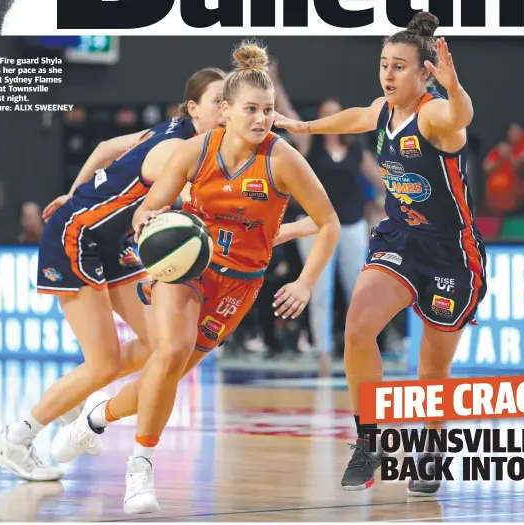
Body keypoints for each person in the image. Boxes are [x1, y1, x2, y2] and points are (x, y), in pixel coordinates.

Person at [49, 39, 340, 515]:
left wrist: (305, 282)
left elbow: (328, 222)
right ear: (224, 110)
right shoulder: (191, 150)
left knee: (165, 377)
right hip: (187, 267)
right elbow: (152, 204)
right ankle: (141, 466)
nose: (262, 119)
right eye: (251, 109)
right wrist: (146, 224)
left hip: (240, 285)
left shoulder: (282, 158)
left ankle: (96, 418)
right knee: (170, 353)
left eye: (268, 110)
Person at [274, 12, 487, 496]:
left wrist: (455, 90)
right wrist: (300, 123)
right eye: (384, 65)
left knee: (432, 369)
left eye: (399, 67)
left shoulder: (435, 113)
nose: (388, 75)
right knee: (357, 326)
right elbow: (357, 117)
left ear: (424, 72)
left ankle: (432, 445)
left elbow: (462, 117)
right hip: (400, 239)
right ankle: (369, 440)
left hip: (451, 252)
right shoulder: (385, 108)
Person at [0, 67, 229, 482]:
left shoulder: (170, 132)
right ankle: (15, 439)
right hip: (76, 236)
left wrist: (74, 189)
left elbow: (102, 147)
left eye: (229, 102)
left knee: (162, 345)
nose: (225, 110)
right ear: (194, 108)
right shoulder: (177, 149)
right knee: (103, 364)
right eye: (217, 102)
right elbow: (194, 204)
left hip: (110, 241)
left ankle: (71, 398)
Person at [271, 62, 384, 375]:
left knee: (356, 291)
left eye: (336, 112)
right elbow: (289, 113)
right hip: (316, 226)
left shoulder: (356, 150)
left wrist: (385, 207)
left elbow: (383, 183)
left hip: (352, 226)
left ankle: (359, 349)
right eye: (326, 113)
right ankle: (323, 353)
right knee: (319, 292)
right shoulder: (311, 145)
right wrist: (276, 82)